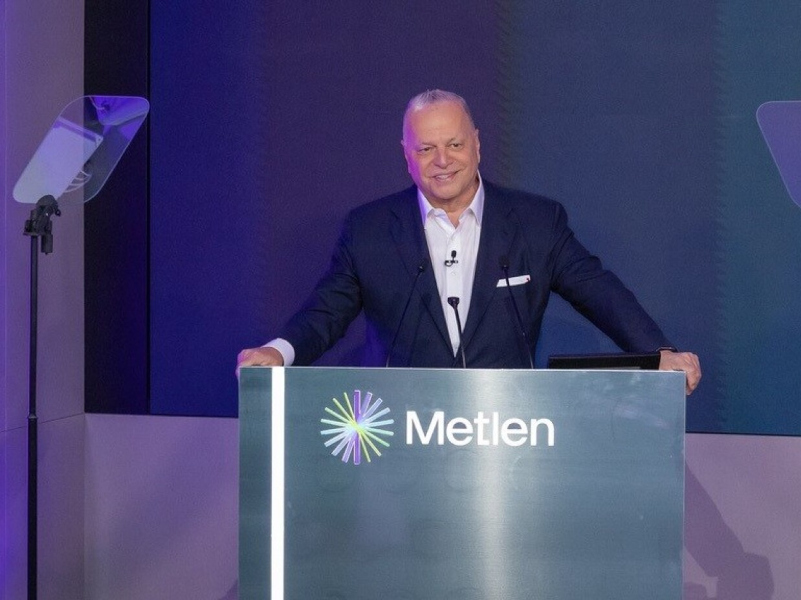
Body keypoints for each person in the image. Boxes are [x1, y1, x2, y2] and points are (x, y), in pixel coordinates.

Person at [237, 89, 701, 394]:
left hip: (509, 427)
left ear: (477, 143)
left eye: (454, 145)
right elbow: (326, 313)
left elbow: (600, 292)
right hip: (401, 431)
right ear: (407, 155)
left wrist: (659, 352)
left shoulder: (536, 222)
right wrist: (279, 352)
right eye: (426, 148)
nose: (442, 161)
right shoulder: (370, 230)